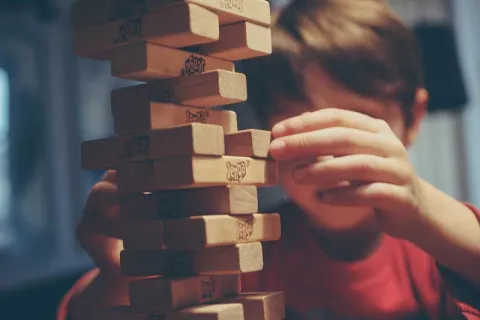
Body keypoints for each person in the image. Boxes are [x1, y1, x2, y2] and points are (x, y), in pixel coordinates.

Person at [58, 0, 480, 319]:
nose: (329, 154)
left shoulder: (441, 246)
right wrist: (123, 275)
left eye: (357, 123)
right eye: (299, 125)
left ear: (413, 119)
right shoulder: (241, 248)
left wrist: (425, 209)